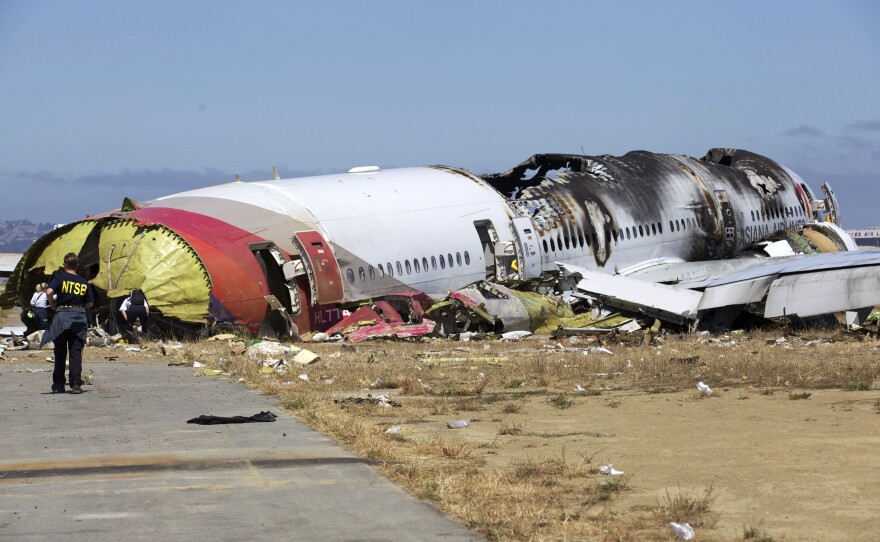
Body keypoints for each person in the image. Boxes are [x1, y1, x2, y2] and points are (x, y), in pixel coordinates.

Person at [40, 253, 93, 394]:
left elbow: (49, 291)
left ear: (64, 265)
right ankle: (76, 383)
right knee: (76, 351)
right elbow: (90, 302)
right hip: (78, 319)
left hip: (62, 317)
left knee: (60, 351)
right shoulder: (83, 281)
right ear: (77, 265)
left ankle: (58, 384)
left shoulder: (60, 278)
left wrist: (52, 304)